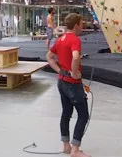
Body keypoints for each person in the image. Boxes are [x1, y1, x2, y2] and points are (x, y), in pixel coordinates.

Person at [47, 13, 90, 157]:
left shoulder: (61, 39)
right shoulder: (75, 40)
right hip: (72, 84)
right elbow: (76, 57)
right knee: (83, 115)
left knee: (66, 113)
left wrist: (60, 70)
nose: (83, 26)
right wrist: (75, 72)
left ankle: (66, 145)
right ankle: (75, 149)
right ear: (76, 25)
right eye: (81, 23)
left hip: (62, 82)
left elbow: (49, 56)